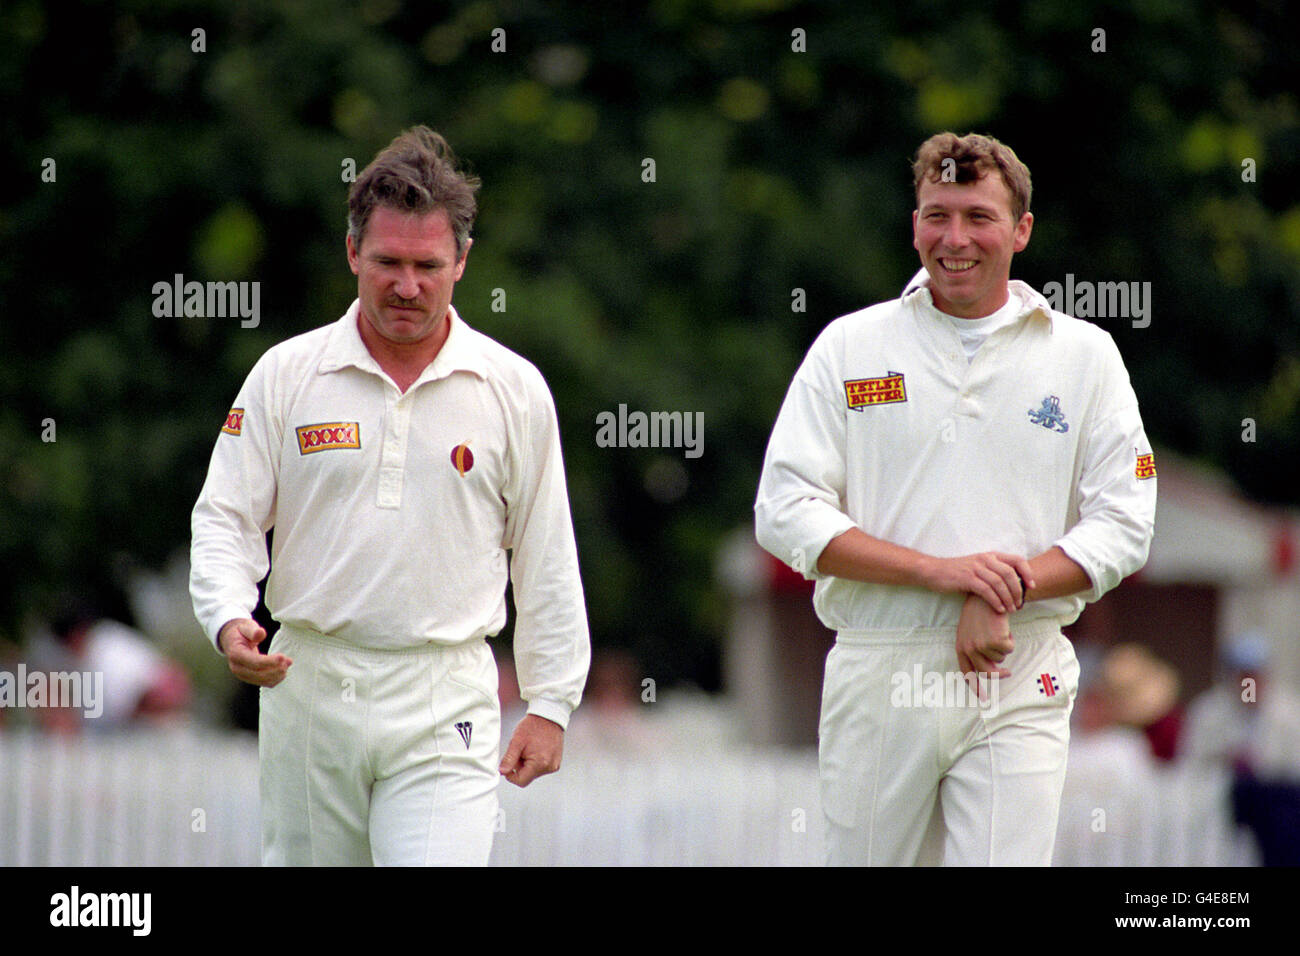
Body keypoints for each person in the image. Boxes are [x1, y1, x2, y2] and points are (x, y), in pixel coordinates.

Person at [190, 126, 591, 866]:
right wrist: (226, 617)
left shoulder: (513, 390)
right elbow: (225, 515)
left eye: (428, 266)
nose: (407, 287)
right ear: (352, 254)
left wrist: (551, 701)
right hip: (308, 680)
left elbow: (545, 549)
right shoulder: (287, 375)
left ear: (463, 262)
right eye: (388, 263)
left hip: (445, 696)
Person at [754, 132, 1156, 866]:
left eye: (979, 216)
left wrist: (1004, 590)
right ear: (914, 225)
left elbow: (1126, 522)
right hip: (880, 664)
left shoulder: (1084, 355)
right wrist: (944, 574)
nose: (955, 238)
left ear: (1022, 230)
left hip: (1020, 665)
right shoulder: (851, 347)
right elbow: (784, 510)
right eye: (937, 215)